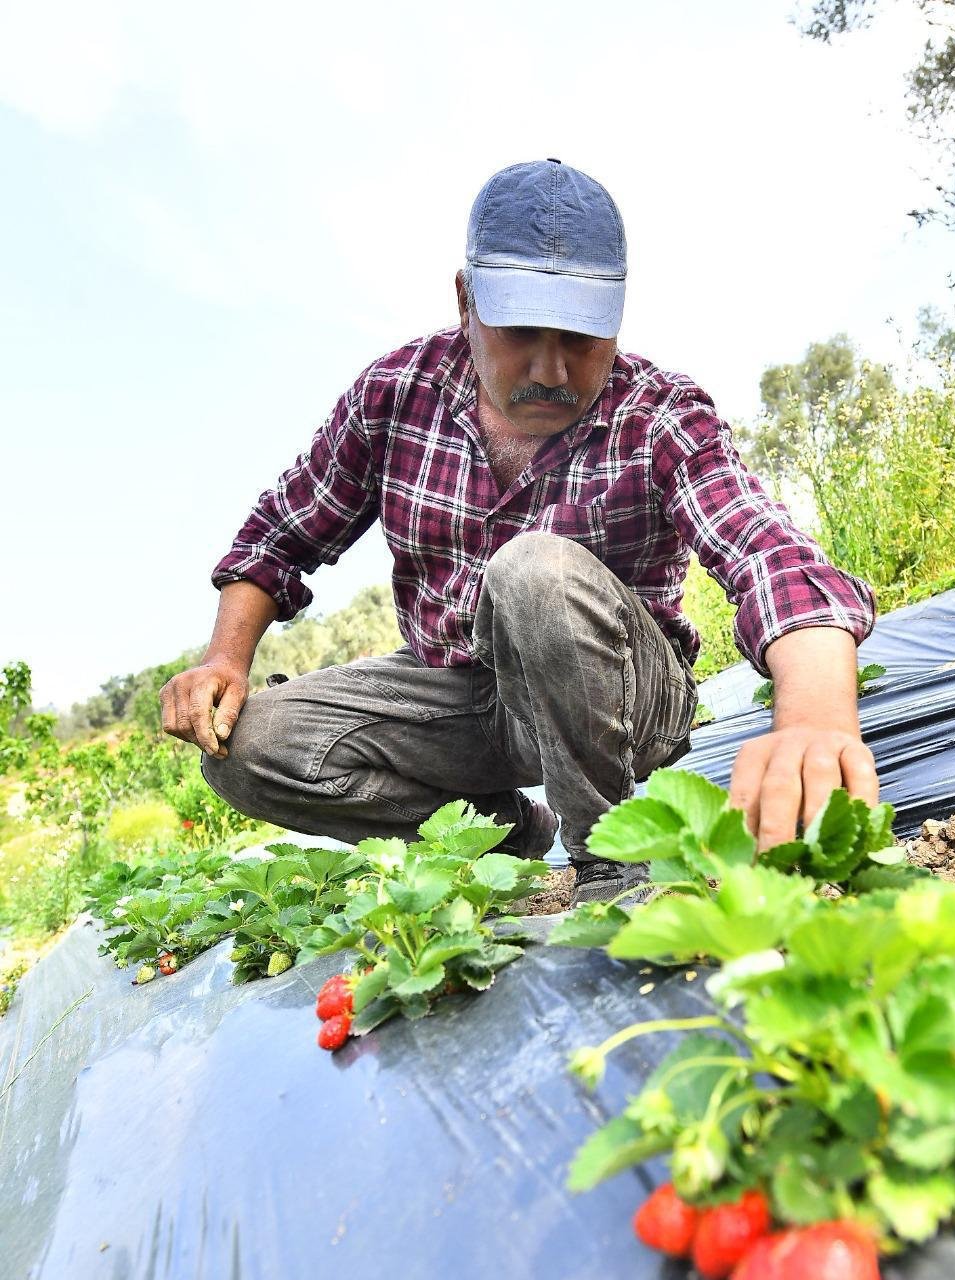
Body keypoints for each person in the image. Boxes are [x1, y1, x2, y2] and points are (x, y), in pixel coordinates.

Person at [160, 158, 879, 905]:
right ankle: (506, 835)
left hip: (627, 698)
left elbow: (767, 553)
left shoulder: (657, 413)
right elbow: (280, 534)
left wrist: (817, 716)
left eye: (580, 340)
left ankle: (612, 862)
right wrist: (225, 658)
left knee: (533, 570)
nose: (552, 370)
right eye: (522, 333)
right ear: (467, 301)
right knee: (246, 750)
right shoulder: (397, 393)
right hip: (459, 699)